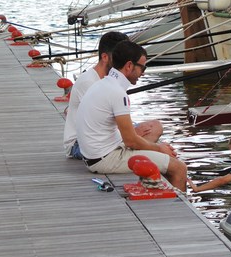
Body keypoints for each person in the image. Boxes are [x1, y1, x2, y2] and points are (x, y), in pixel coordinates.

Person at [76, 40, 187, 191]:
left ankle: (165, 185)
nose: (143, 73)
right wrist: (160, 149)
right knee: (179, 168)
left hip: (95, 154)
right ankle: (177, 209)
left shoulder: (102, 84)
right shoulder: (117, 93)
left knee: (151, 138)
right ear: (129, 66)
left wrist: (158, 149)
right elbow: (130, 141)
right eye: (143, 67)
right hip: (104, 159)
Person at [63, 31, 162, 160]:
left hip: (104, 135)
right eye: (118, 56)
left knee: (154, 127)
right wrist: (133, 134)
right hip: (80, 144)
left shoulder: (112, 81)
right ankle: (136, 159)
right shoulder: (89, 82)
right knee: (144, 137)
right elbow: (96, 127)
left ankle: (136, 157)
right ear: (105, 57)